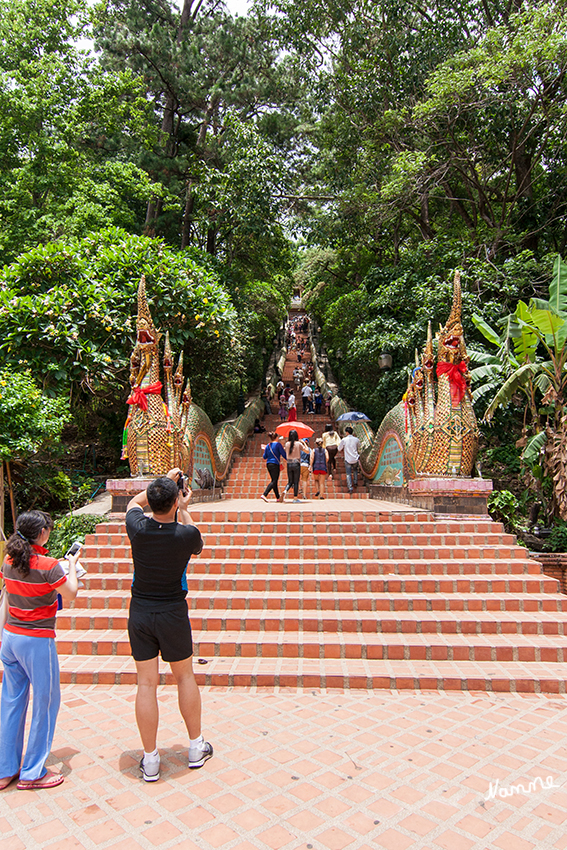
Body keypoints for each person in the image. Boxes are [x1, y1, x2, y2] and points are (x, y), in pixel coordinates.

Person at [125, 470, 212, 782]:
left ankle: (150, 760)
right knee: (184, 676)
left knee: (146, 684)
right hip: (173, 611)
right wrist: (184, 507)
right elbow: (197, 542)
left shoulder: (136, 528)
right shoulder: (186, 536)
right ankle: (195, 747)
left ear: (151, 501)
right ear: (176, 500)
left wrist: (163, 480)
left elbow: (133, 504)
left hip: (140, 612)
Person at [0, 510, 80, 790]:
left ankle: (5, 769)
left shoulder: (9, 560)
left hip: (10, 637)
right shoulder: (48, 565)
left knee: (10, 703)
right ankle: (32, 772)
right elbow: (71, 593)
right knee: (45, 704)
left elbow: (6, 598)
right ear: (43, 533)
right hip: (37, 640)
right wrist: (71, 566)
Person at [283, 430, 309, 502]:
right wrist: (303, 443)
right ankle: (295, 498)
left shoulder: (287, 444)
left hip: (289, 463)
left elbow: (285, 450)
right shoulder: (298, 444)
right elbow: (307, 451)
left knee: (290, 481)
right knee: (296, 481)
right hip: (296, 463)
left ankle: (285, 490)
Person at [262, 433, 286, 502]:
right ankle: (265, 494)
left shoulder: (268, 445)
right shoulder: (278, 445)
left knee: (274, 480)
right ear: (276, 437)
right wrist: (289, 459)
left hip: (268, 464)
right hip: (275, 464)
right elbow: (283, 454)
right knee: (274, 480)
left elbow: (264, 457)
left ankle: (278, 497)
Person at [338, 426, 361, 494]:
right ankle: (355, 482)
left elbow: (339, 449)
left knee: (348, 474)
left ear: (347, 432)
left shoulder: (344, 440)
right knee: (355, 471)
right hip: (355, 458)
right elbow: (359, 446)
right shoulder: (356, 439)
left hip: (348, 459)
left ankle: (350, 488)